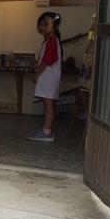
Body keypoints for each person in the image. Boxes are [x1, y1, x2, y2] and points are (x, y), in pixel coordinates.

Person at [28, 12, 62, 142]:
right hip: (47, 77)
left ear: (54, 26)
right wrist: (36, 65)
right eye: (40, 24)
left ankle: (47, 132)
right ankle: (45, 129)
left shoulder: (52, 41)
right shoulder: (48, 41)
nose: (42, 27)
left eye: (46, 24)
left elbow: (47, 61)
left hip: (48, 77)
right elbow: (44, 59)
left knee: (48, 104)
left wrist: (37, 74)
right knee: (47, 103)